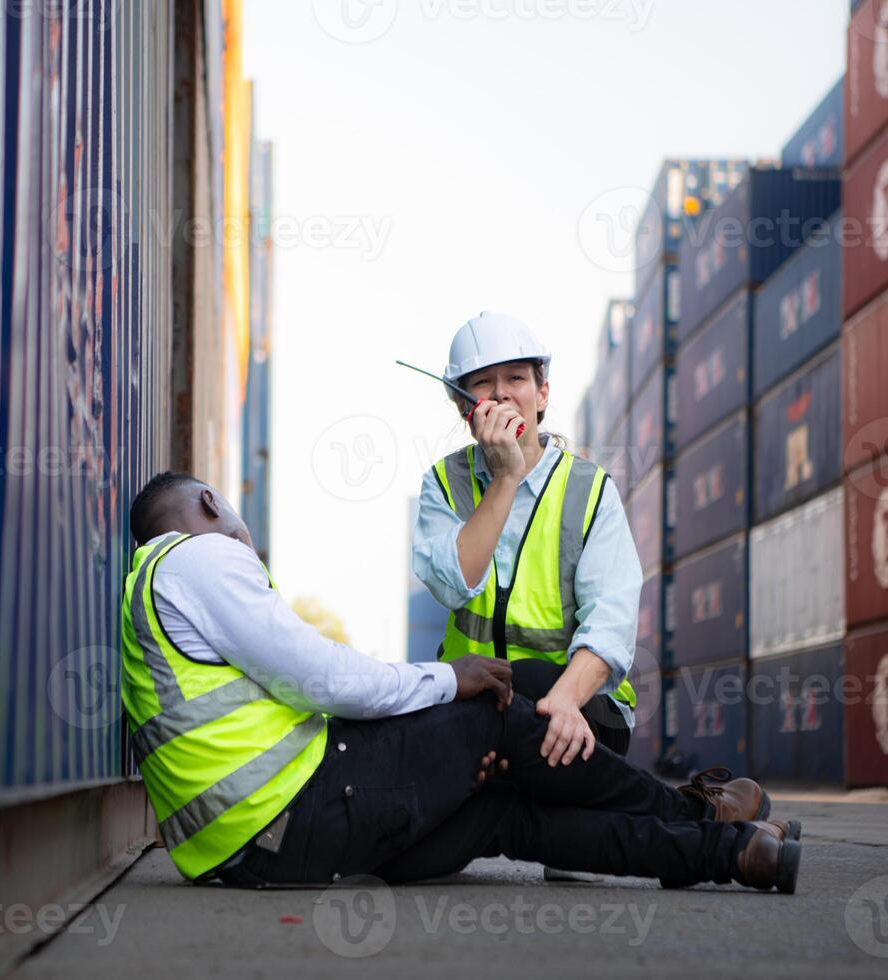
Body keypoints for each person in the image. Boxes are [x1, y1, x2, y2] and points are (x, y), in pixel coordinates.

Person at [119, 471, 801, 892]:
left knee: (506, 816)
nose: (244, 541)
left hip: (255, 855)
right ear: (209, 502)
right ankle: (700, 815)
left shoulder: (143, 594)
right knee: (500, 717)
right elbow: (325, 679)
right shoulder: (198, 557)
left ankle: (730, 855)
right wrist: (451, 676)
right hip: (300, 809)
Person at [412, 311, 640, 768]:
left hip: (578, 704)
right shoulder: (443, 483)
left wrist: (565, 701)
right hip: (477, 703)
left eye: (515, 377)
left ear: (542, 394)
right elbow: (452, 584)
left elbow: (612, 623)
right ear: (463, 406)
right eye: (482, 383)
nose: (500, 393)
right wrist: (506, 477)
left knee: (529, 684)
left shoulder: (590, 490)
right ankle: (700, 813)